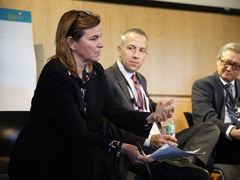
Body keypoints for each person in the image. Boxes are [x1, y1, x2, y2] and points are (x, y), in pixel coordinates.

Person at [8, 10, 175, 180]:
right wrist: (122, 147)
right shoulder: (55, 73)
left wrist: (151, 117)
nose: (101, 44)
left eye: (100, 37)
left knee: (101, 157)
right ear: (72, 42)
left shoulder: (96, 71)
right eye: (94, 39)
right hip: (42, 161)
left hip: (77, 154)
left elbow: (115, 111)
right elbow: (77, 133)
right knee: (98, 155)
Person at [105, 28, 220, 180]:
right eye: (131, 48)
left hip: (159, 138)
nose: (136, 55)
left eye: (142, 50)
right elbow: (112, 122)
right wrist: (148, 140)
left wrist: (156, 108)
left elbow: (141, 105)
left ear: (146, 54)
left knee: (209, 128)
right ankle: (176, 166)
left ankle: (181, 163)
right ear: (120, 50)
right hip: (138, 144)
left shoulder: (140, 78)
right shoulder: (107, 78)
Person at [192, 42, 240, 179]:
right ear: (218, 61)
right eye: (226, 62)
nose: (229, 68)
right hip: (221, 143)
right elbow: (207, 119)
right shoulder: (203, 86)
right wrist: (236, 132)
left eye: (236, 66)